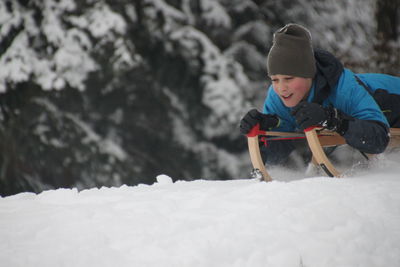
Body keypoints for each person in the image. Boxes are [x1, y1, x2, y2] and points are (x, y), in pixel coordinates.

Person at [239, 23, 400, 166]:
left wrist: (332, 119)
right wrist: (264, 132)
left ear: (309, 74)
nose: (281, 88)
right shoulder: (278, 98)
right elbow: (276, 155)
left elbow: (379, 139)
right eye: (275, 80)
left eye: (289, 78)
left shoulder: (343, 88)